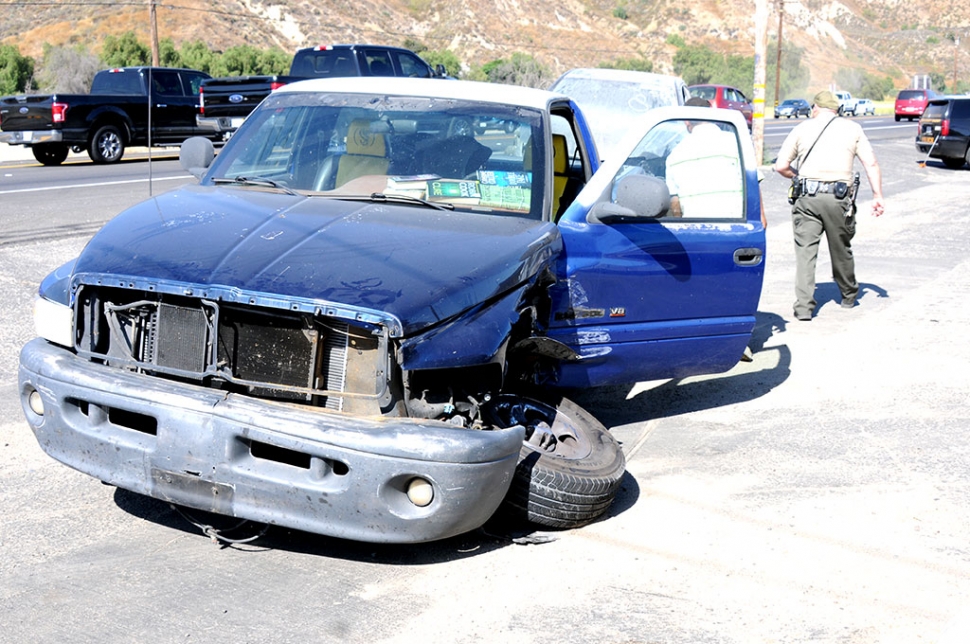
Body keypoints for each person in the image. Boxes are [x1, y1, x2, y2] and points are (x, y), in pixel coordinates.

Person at [773, 89, 884, 321]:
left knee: (805, 253)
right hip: (838, 199)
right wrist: (877, 196)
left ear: (815, 108)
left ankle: (803, 307)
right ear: (837, 110)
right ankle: (848, 295)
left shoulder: (801, 128)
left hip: (807, 198)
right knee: (840, 248)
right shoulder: (853, 129)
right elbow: (870, 163)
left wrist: (797, 176)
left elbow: (780, 166)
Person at [665, 98, 745, 219]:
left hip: (695, 228)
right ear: (711, 116)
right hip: (737, 225)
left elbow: (675, 202)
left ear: (686, 121)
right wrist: (760, 217)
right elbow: (753, 181)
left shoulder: (675, 155)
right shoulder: (736, 142)